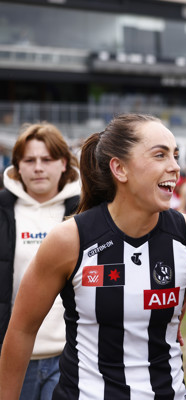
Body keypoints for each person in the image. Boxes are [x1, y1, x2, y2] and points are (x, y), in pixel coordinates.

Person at [0, 113, 186, 399]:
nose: (175, 167)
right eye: (160, 155)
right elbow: (21, 331)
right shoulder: (69, 240)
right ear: (120, 168)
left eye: (175, 156)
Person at [0, 122, 80, 400]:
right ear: (17, 167)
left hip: (68, 359)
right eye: (29, 160)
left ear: (63, 164)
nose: (38, 167)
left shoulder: (86, 213)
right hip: (11, 361)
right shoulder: (2, 212)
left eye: (47, 159)